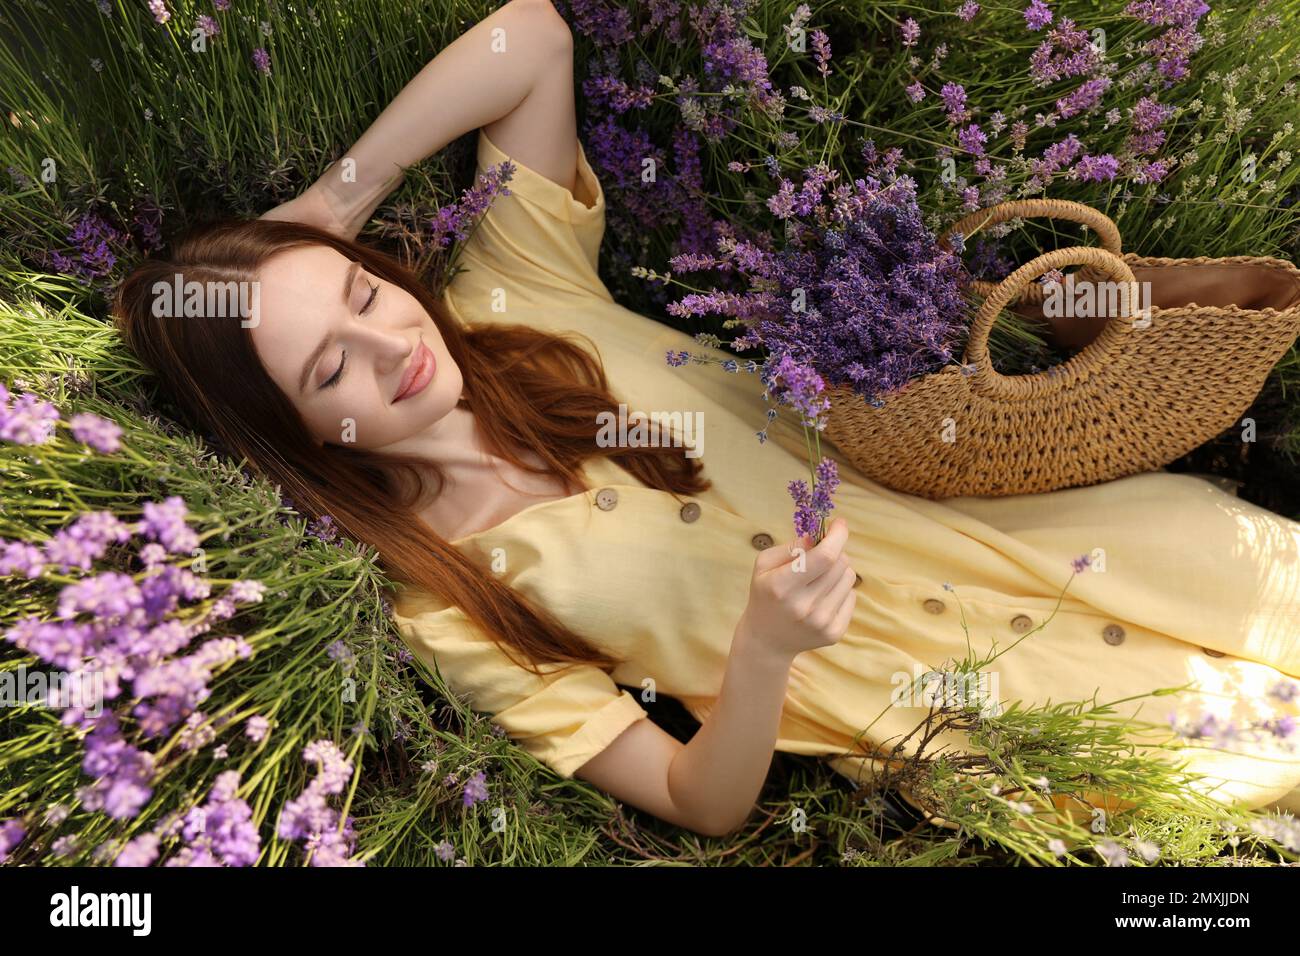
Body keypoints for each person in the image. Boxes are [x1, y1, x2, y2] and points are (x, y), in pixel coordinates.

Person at [112, 0, 1300, 839]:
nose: (395, 346)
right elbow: (697, 798)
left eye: (366, 292)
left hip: (1050, 530)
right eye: (334, 370)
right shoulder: (445, 598)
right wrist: (762, 654)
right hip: (962, 699)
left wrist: (331, 202)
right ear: (301, 438)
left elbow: (529, 38)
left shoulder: (509, 292)